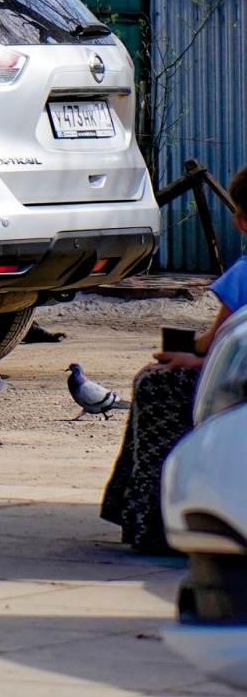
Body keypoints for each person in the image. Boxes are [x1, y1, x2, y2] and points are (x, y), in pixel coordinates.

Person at [103, 165, 247, 552]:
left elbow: (218, 343)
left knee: (156, 384)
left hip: (239, 382)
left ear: (240, 222)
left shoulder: (244, 273)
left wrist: (191, 357)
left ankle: (148, 518)